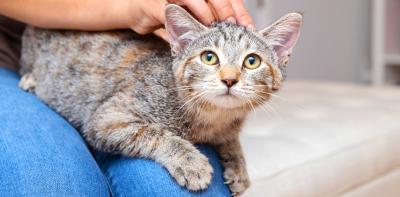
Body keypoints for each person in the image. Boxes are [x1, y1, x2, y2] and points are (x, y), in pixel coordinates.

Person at [0, 0, 255, 196]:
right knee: (56, 187)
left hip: (148, 54)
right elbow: (104, 126)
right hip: (20, 53)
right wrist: (127, 9)